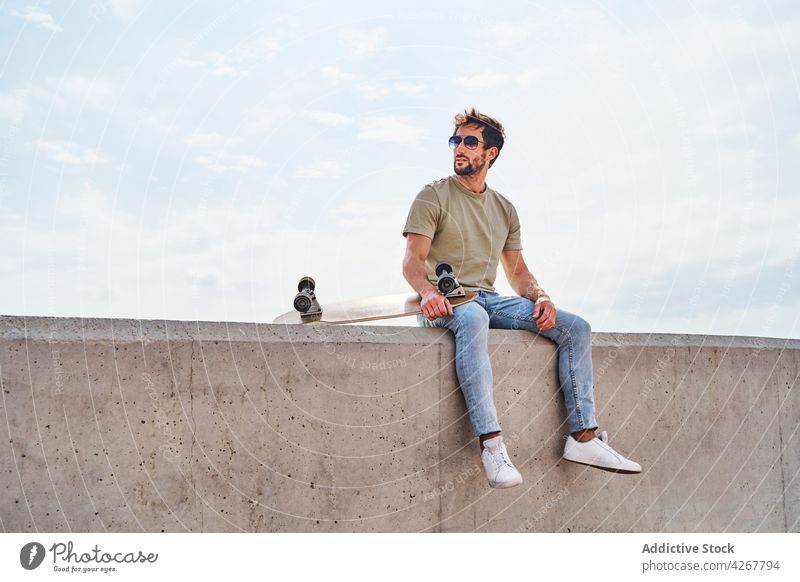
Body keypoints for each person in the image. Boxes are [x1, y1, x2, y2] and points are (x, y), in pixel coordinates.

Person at [401, 108, 641, 489]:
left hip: (489, 299)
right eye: (456, 141)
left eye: (469, 142)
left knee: (575, 327)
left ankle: (584, 438)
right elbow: (412, 262)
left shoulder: (504, 209)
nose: (459, 148)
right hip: (444, 304)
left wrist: (541, 296)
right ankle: (492, 446)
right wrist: (429, 292)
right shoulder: (433, 196)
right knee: (474, 319)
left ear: (490, 154)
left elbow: (517, 273)